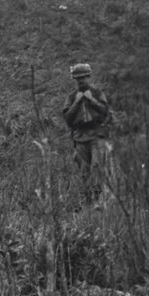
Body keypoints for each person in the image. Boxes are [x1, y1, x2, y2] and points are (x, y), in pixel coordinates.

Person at [62, 63, 110, 204]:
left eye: (83, 77)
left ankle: (98, 199)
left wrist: (91, 100)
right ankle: (88, 200)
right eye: (78, 79)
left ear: (89, 77)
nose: (81, 81)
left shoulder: (97, 93)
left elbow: (105, 111)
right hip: (80, 136)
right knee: (84, 170)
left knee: (97, 166)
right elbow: (67, 118)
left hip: (97, 134)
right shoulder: (71, 97)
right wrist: (77, 102)